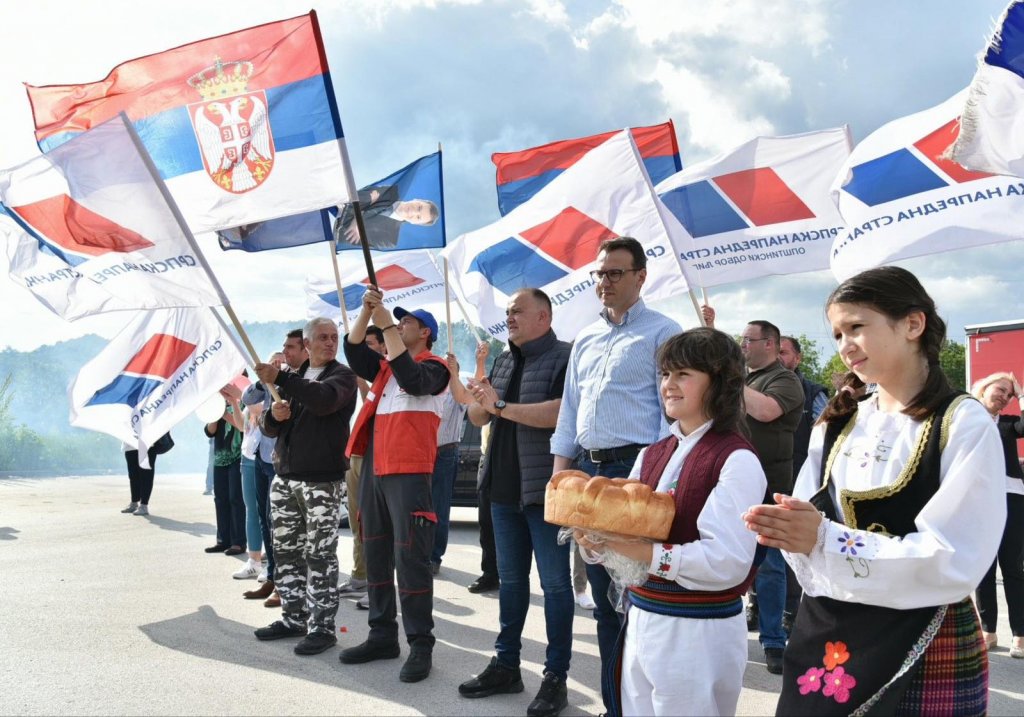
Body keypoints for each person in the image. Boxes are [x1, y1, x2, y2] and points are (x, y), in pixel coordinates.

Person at [744, 266, 1004, 715]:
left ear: (913, 324)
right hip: (829, 633)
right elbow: (808, 524)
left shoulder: (961, 422)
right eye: (837, 334)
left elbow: (957, 556)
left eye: (856, 327)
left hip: (924, 636)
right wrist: (790, 530)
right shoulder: (839, 421)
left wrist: (826, 539)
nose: (845, 345)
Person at [578, 328, 766, 716]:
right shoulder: (651, 454)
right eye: (665, 374)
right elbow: (626, 548)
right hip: (643, 617)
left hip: (698, 630)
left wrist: (644, 552)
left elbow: (727, 562)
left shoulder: (737, 459)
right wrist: (597, 544)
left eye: (684, 374)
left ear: (720, 383)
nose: (669, 385)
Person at [550, 236, 681, 715]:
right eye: (600, 273)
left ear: (641, 276)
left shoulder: (664, 333)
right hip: (587, 475)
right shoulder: (585, 337)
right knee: (605, 602)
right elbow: (570, 410)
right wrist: (559, 478)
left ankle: (642, 705)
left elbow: (672, 415)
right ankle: (615, 706)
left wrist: (656, 482)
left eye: (615, 273)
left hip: (636, 475)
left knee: (638, 597)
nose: (604, 282)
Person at [457, 289, 572, 717]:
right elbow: (479, 416)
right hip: (501, 490)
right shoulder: (504, 359)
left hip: (544, 492)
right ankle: (506, 665)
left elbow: (560, 414)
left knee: (556, 586)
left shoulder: (565, 357)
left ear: (543, 317)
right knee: (510, 583)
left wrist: (501, 405)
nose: (509, 318)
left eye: (517, 311)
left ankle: (555, 677)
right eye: (507, 312)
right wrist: (481, 401)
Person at [341, 291, 448, 683]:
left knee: (411, 560)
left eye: (407, 323)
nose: (400, 325)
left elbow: (414, 381)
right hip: (376, 469)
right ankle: (382, 635)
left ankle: (421, 644)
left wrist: (385, 324)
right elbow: (353, 350)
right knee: (376, 553)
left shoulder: (435, 367)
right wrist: (367, 313)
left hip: (410, 472)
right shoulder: (385, 369)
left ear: (426, 332)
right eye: (397, 321)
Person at [252, 318, 358, 657]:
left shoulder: (342, 377)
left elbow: (323, 400)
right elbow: (267, 427)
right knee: (285, 552)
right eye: (322, 338)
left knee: (320, 556)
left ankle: (322, 628)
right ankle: (293, 618)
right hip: (285, 478)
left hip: (322, 482)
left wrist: (281, 378)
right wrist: (274, 416)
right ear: (308, 344)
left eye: (334, 337)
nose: (330, 342)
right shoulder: (293, 378)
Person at [706, 308, 804, 675]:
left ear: (771, 345)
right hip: (731, 481)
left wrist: (731, 378)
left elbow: (765, 411)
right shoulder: (747, 377)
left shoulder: (784, 379)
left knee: (770, 568)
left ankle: (773, 640)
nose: (743, 345)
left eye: (749, 340)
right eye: (741, 340)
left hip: (768, 486)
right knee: (726, 557)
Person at [971, 371, 1024, 658]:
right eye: (1000, 389)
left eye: (1009, 394)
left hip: (1011, 496)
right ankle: (988, 631)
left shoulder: (1008, 423)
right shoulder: (967, 417)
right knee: (984, 568)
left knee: (1014, 566)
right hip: (978, 498)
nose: (1004, 396)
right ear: (983, 387)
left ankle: (1020, 634)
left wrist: (1022, 394)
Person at [777, 335, 828, 630]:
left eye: (784, 352)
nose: (779, 357)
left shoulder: (814, 394)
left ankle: (791, 611)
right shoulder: (753, 387)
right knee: (761, 549)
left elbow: (828, 435)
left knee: (793, 546)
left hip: (800, 483)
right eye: (775, 351)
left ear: (798, 358)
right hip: (765, 480)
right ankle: (757, 607)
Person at [430, 341, 489, 576]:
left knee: (439, 508)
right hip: (423, 454)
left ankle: (434, 557)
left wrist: (479, 362)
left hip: (445, 453)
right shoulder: (430, 390)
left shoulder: (457, 393)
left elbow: (475, 390)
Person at [339, 326, 387, 606]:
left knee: (373, 523)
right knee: (357, 521)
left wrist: (361, 382)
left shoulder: (389, 371)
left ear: (383, 346)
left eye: (369, 344)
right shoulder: (354, 374)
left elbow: (378, 407)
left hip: (375, 455)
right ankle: (360, 576)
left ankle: (377, 585)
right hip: (356, 454)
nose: (364, 349)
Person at [241, 350, 291, 605]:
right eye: (276, 359)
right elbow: (247, 398)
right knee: (264, 519)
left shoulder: (293, 380)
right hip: (261, 456)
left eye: (286, 354)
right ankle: (271, 576)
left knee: (278, 523)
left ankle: (283, 584)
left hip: (280, 461)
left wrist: (280, 376)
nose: (279, 363)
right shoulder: (267, 382)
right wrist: (264, 379)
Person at [203, 386, 246, 555]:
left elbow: (243, 426)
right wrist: (215, 413)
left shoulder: (245, 403)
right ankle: (222, 540)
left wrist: (225, 413)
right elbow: (210, 431)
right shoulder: (218, 403)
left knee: (236, 498)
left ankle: (238, 542)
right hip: (220, 458)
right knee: (220, 499)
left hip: (238, 457)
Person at [335, 185, 440, 249]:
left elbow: (348, 238)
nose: (413, 212)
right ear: (417, 199)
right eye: (419, 207)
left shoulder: (390, 239)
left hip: (334, 228)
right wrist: (357, 219)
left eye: (418, 217)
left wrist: (359, 217)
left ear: (415, 223)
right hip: (336, 203)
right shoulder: (390, 192)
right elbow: (356, 197)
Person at [120, 433, 171, 517]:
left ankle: (144, 505)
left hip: (147, 444)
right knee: (133, 475)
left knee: (146, 476)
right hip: (130, 444)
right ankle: (134, 503)